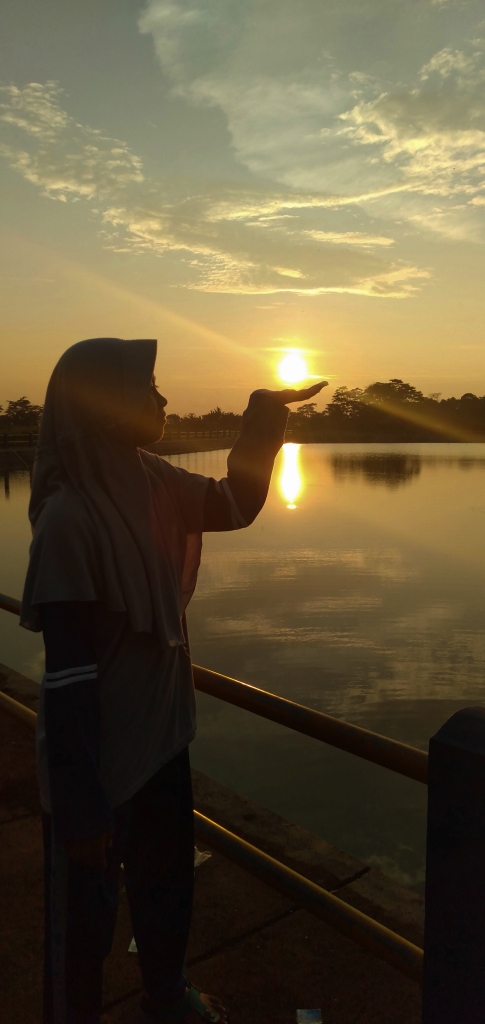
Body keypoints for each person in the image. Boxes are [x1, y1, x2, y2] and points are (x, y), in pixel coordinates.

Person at [20, 337, 327, 1024]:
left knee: (165, 890)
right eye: (147, 387)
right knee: (83, 924)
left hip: (162, 743)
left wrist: (262, 419)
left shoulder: (151, 480)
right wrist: (81, 805)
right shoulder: (71, 518)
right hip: (97, 767)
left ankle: (165, 997)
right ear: (101, 408)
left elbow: (233, 503)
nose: (162, 399)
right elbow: (67, 676)